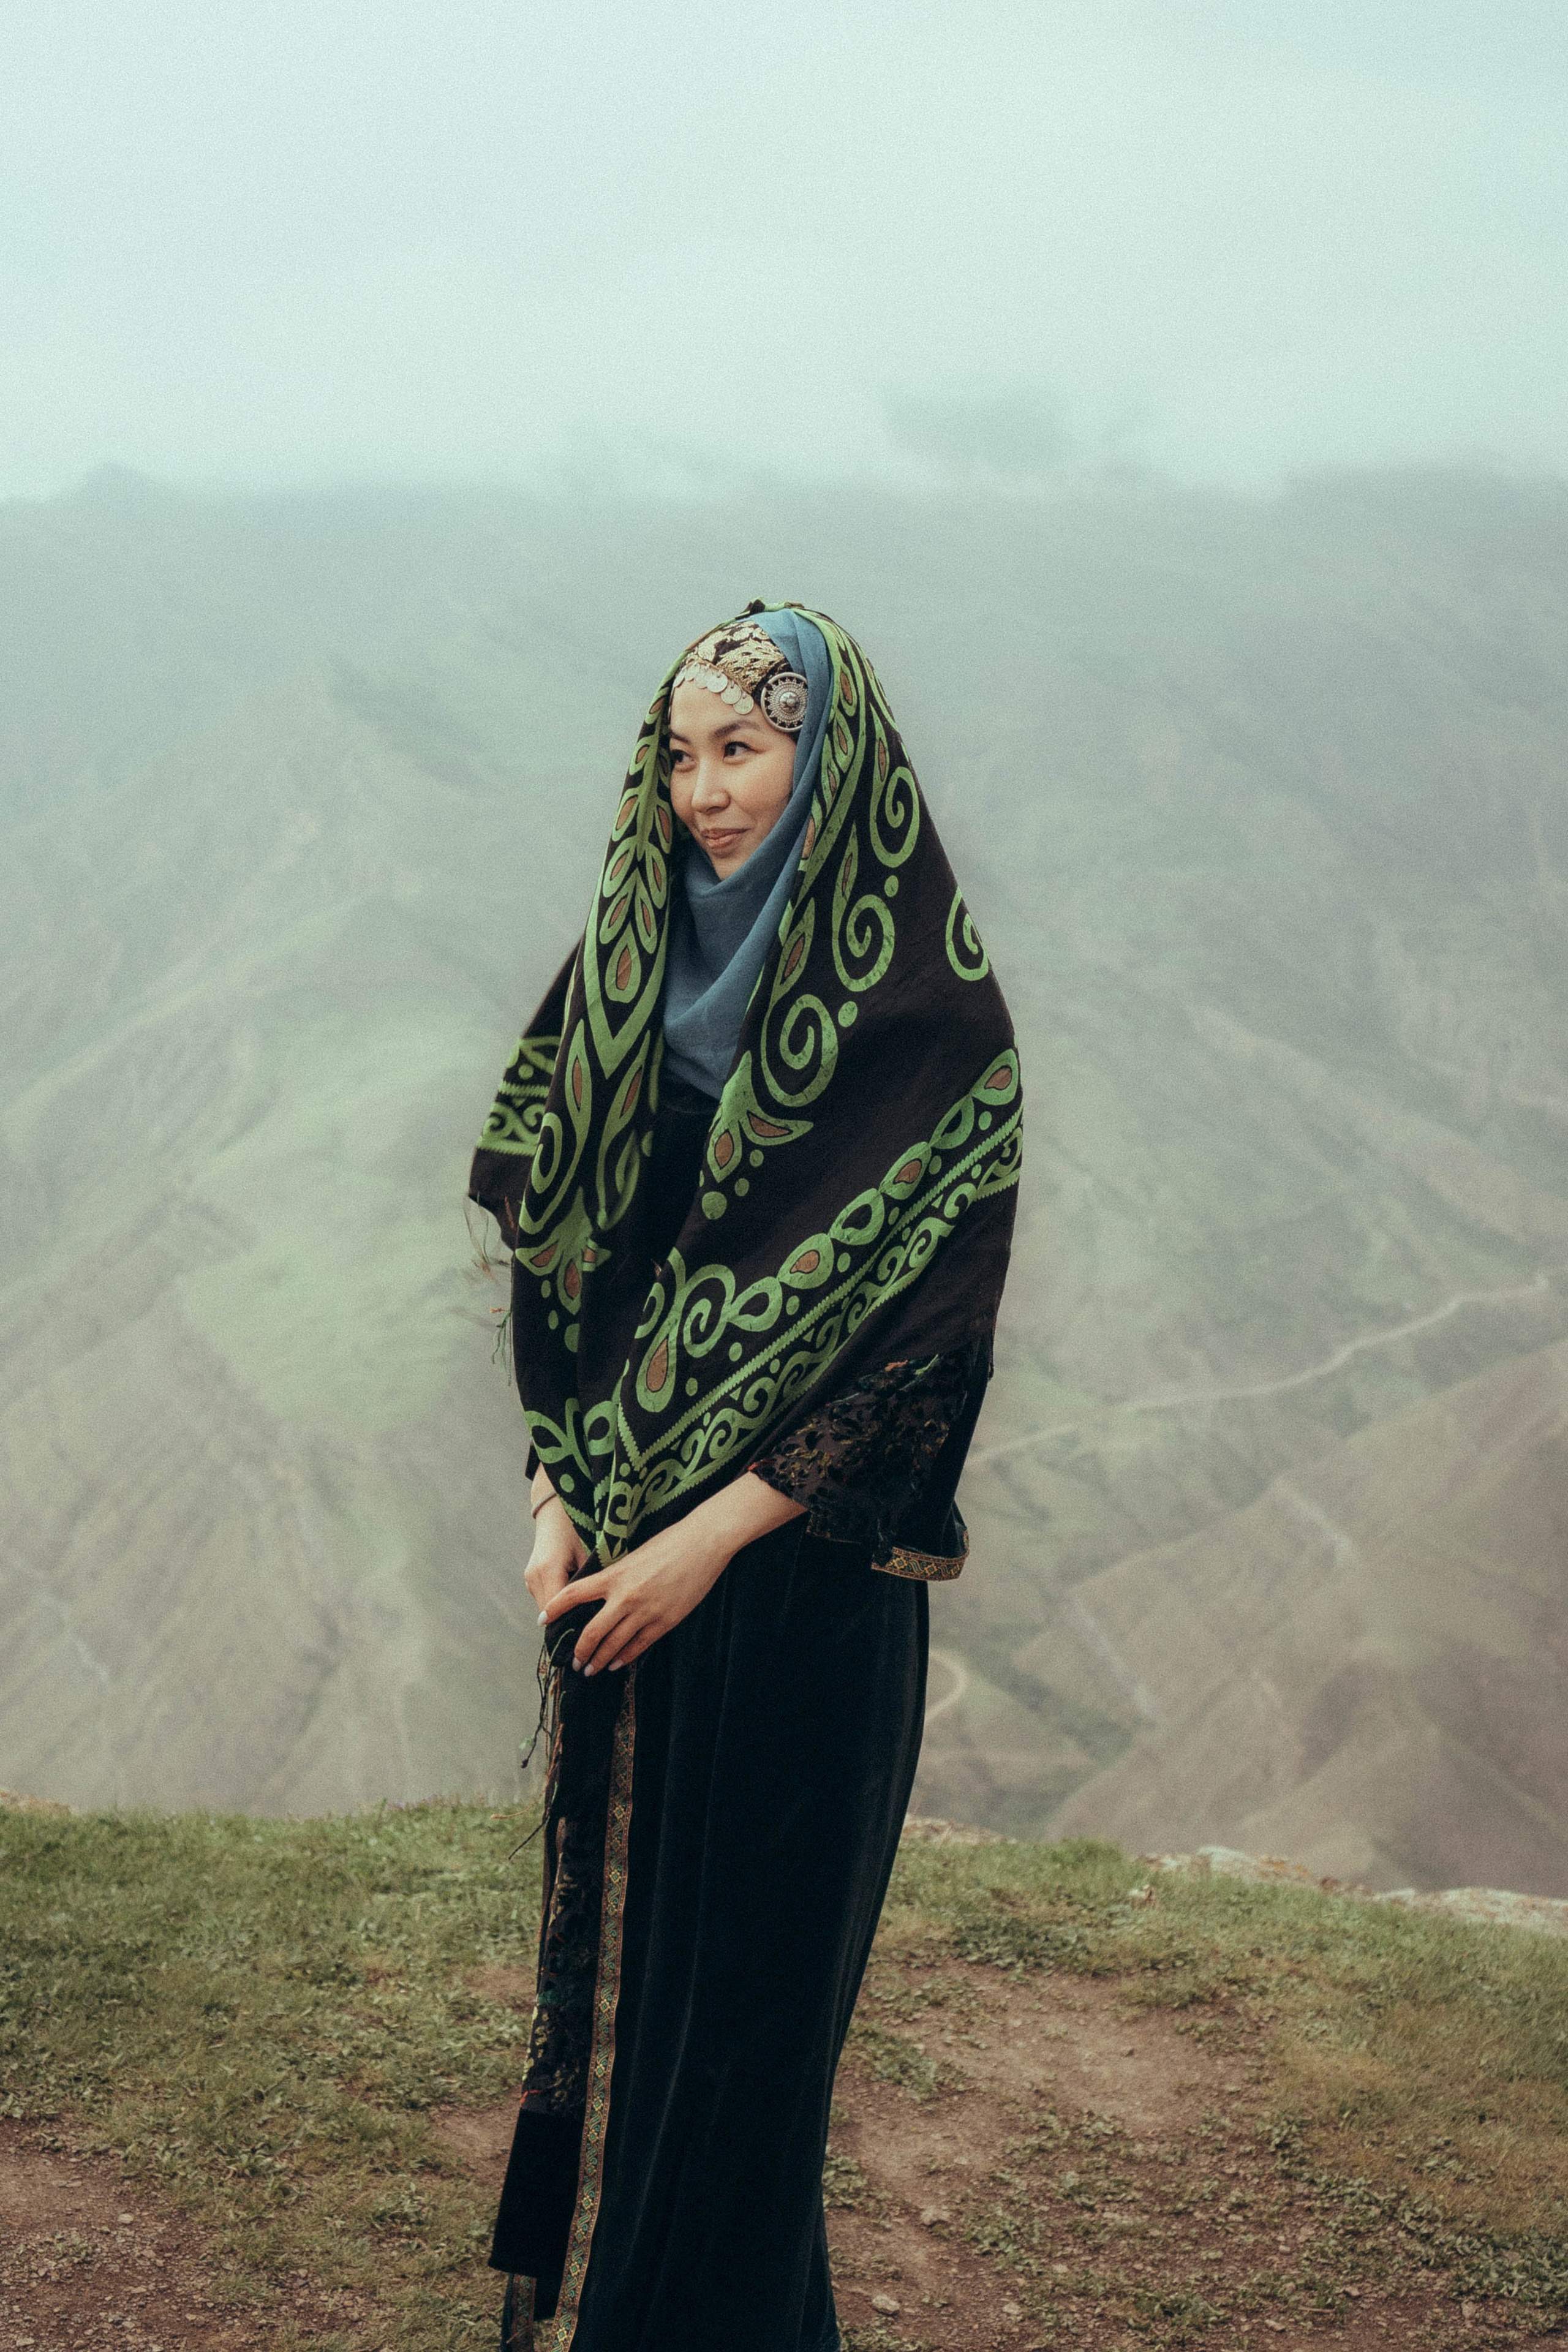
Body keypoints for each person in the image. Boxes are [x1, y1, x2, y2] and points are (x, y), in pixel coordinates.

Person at [469, 603, 1020, 2352]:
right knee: (654, 2031)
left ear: (827, 762)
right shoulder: (626, 976)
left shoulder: (932, 1021)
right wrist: (559, 1491)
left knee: (748, 2060)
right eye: (686, 753)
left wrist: (701, 1542)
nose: (708, 793)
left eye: (749, 749)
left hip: (797, 1596)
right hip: (631, 1584)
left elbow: (920, 1361)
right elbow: (573, 1272)